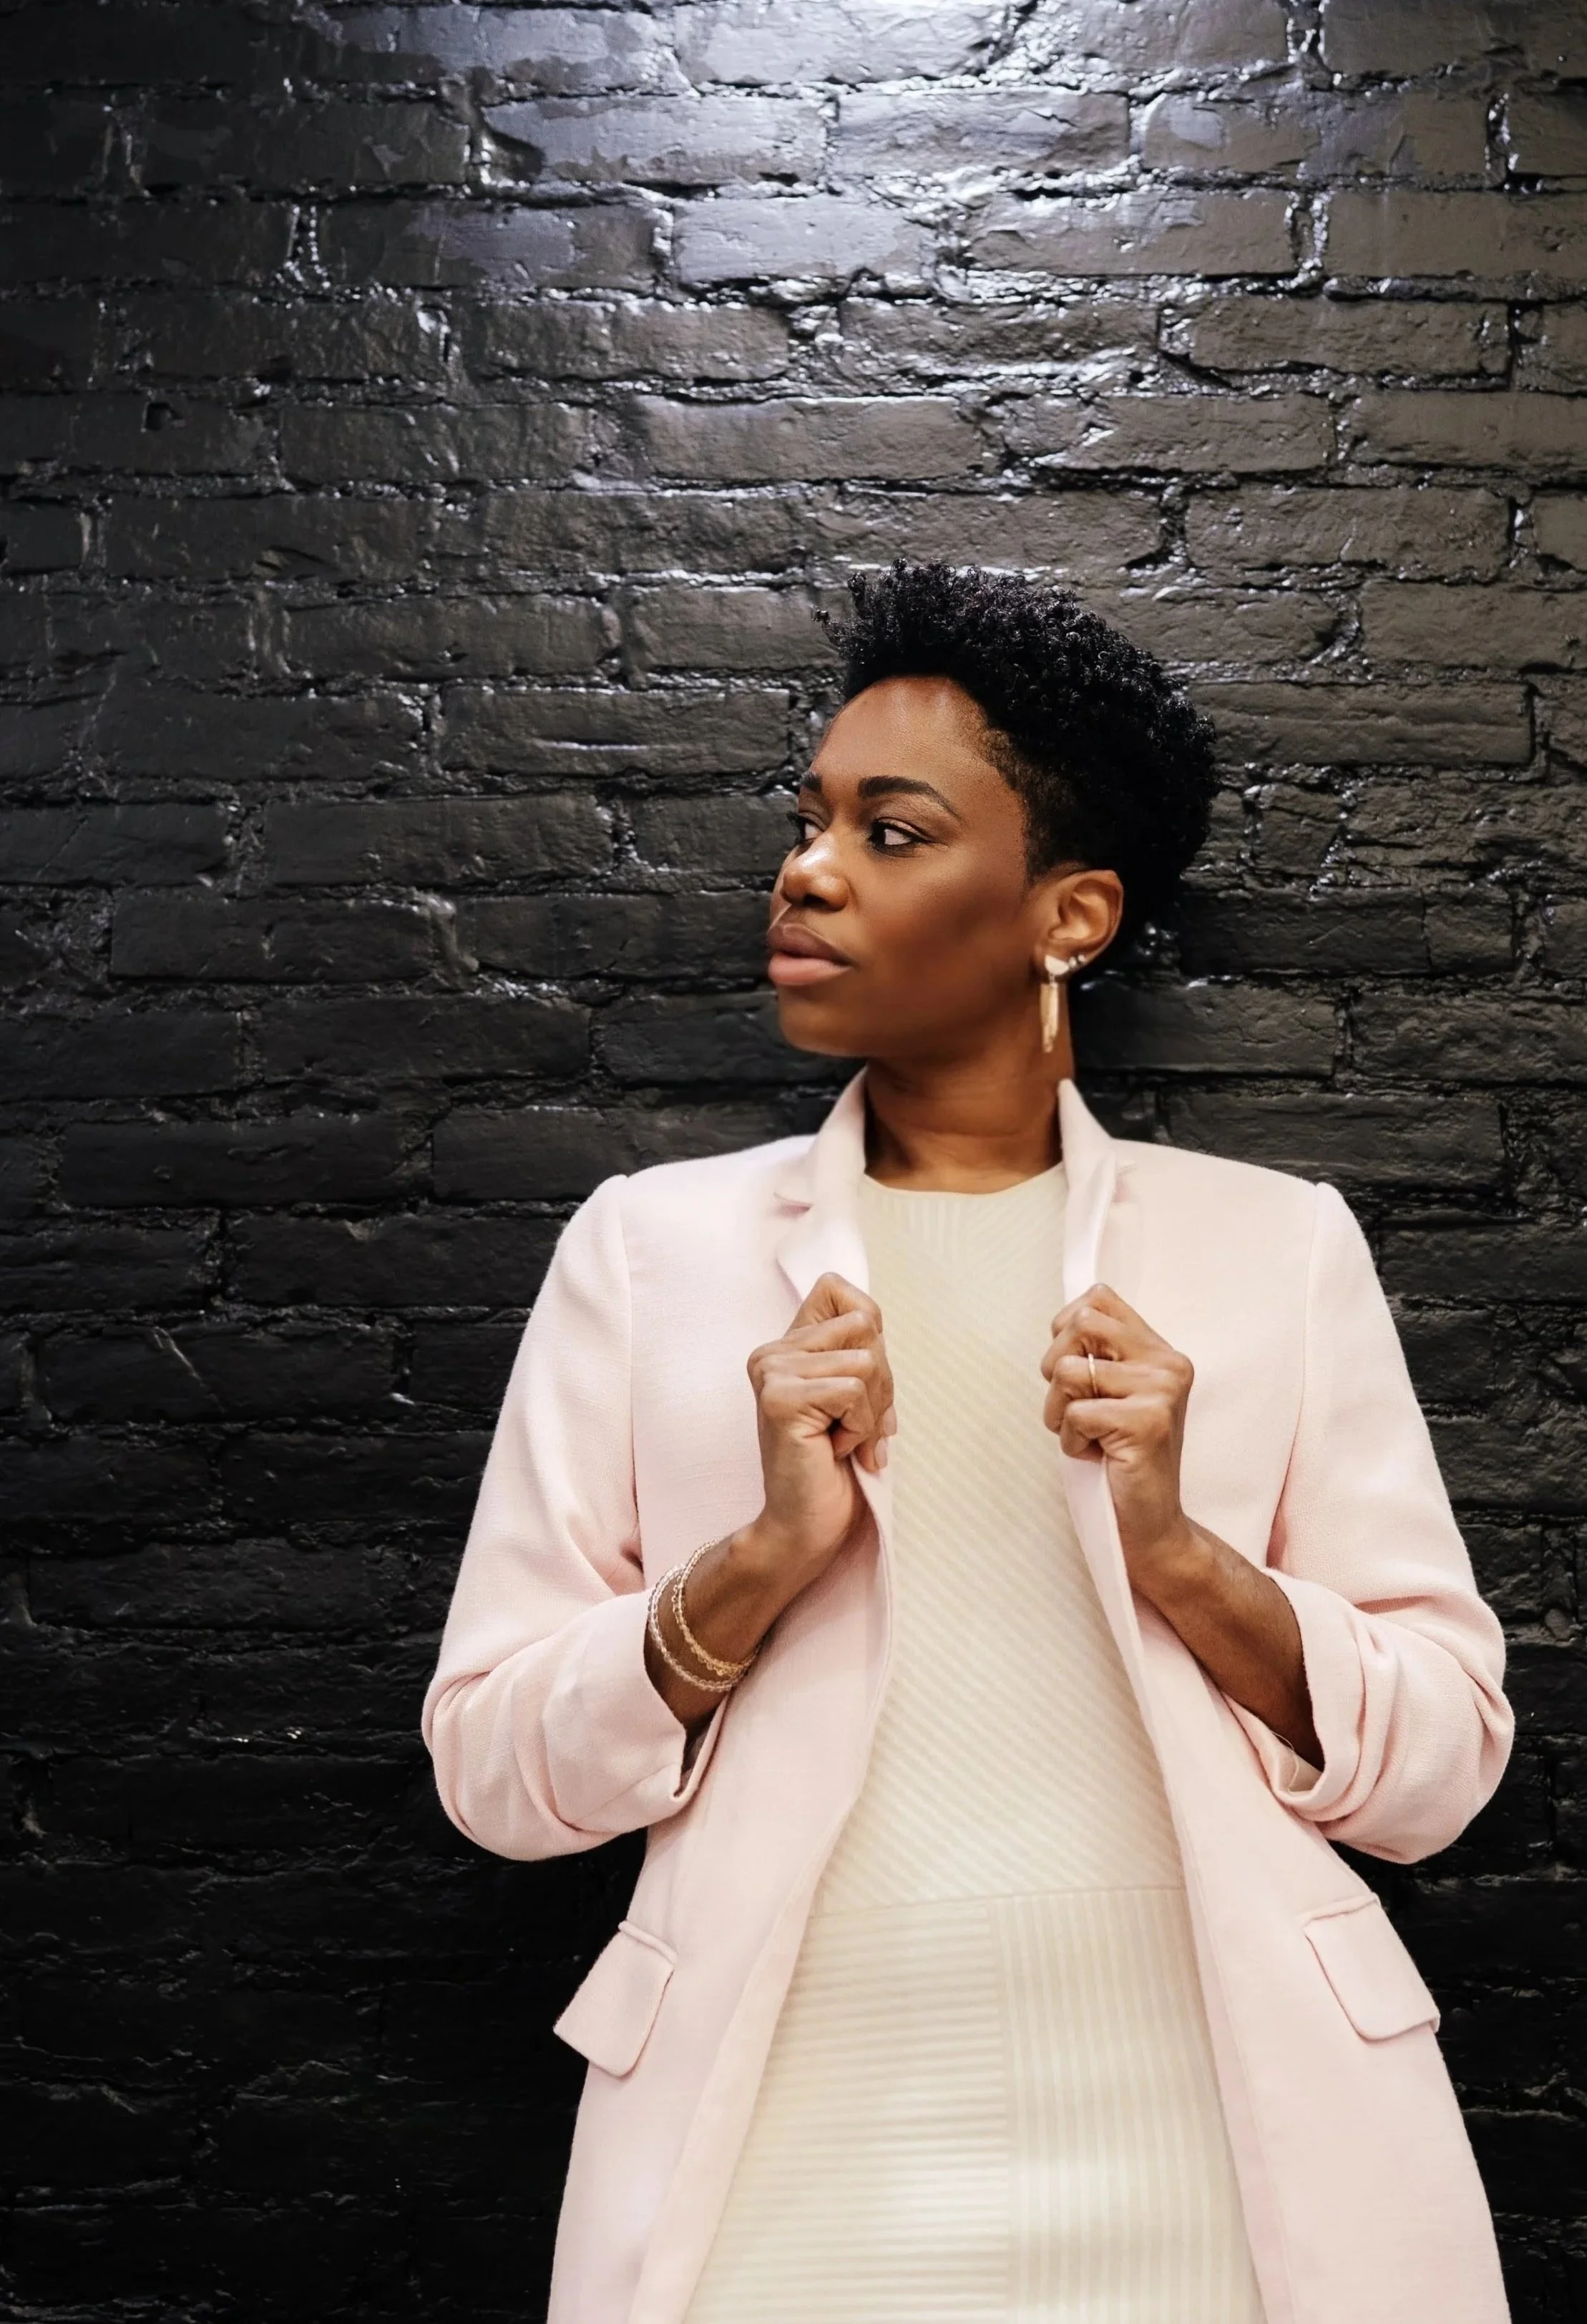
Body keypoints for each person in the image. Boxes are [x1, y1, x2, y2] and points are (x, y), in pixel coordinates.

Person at [423, 563, 1513, 2324]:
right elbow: (493, 1773)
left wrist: (1182, 1560)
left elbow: (1443, 1764)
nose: (806, 867)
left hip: (1219, 2154)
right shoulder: (648, 1248)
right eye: (807, 818)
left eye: (892, 829)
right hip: (778, 2154)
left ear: (1065, 914)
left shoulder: (1273, 1244)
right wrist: (755, 1561)